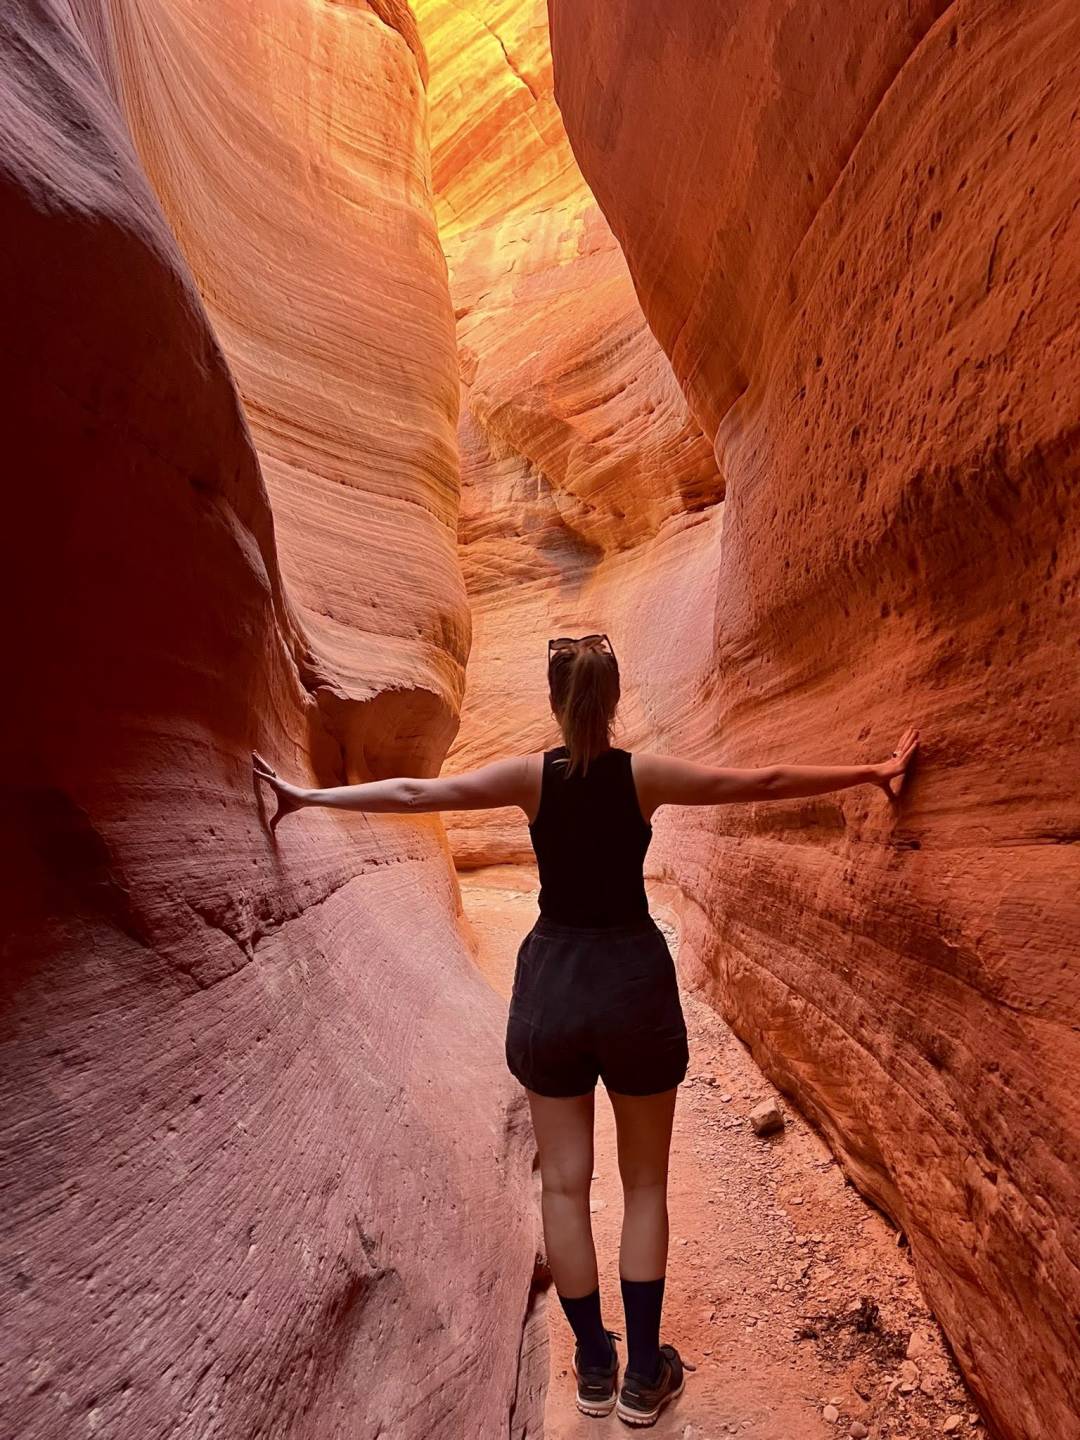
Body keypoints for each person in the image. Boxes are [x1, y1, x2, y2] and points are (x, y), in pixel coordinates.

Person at [253, 632, 918, 1427]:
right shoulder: (644, 778)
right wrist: (873, 772)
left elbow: (411, 798)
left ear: (556, 699)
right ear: (611, 698)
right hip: (632, 982)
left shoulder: (532, 777)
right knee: (644, 1186)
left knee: (565, 1188)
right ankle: (645, 1378)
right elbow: (762, 780)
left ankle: (594, 1373)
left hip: (555, 987)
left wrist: (309, 797)